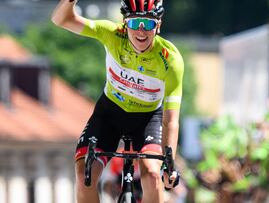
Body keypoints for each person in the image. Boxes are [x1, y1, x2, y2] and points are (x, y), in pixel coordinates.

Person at [51, 0, 183, 202]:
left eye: (148, 24)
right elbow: (62, 20)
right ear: (124, 23)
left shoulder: (170, 59)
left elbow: (171, 120)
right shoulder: (111, 34)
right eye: (134, 23)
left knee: (153, 175)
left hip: (148, 119)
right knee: (84, 175)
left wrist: (169, 163)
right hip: (110, 114)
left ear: (158, 25)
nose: (141, 31)